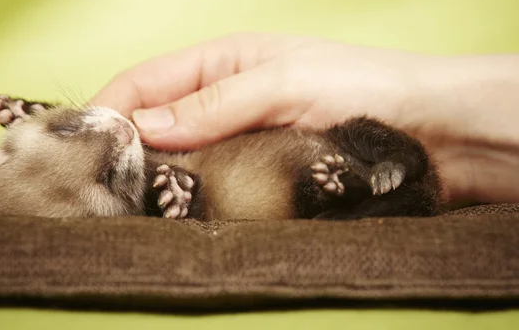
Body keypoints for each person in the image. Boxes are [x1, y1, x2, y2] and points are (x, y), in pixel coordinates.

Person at [91, 32, 519, 205]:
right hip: (308, 176)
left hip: (340, 146)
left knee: (367, 137)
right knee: (338, 186)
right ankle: (352, 189)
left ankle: (390, 170)